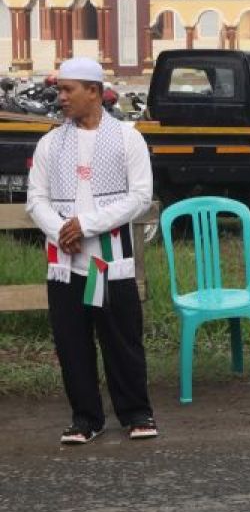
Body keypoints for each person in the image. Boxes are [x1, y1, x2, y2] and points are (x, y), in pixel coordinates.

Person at [26, 56, 156, 444]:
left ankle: (136, 413)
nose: (61, 97)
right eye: (59, 90)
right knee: (72, 341)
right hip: (66, 262)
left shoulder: (128, 138)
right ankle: (86, 418)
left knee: (121, 338)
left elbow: (140, 197)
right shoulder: (50, 142)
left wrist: (85, 225)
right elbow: (36, 200)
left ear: (94, 92)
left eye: (69, 90)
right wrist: (62, 231)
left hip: (110, 259)